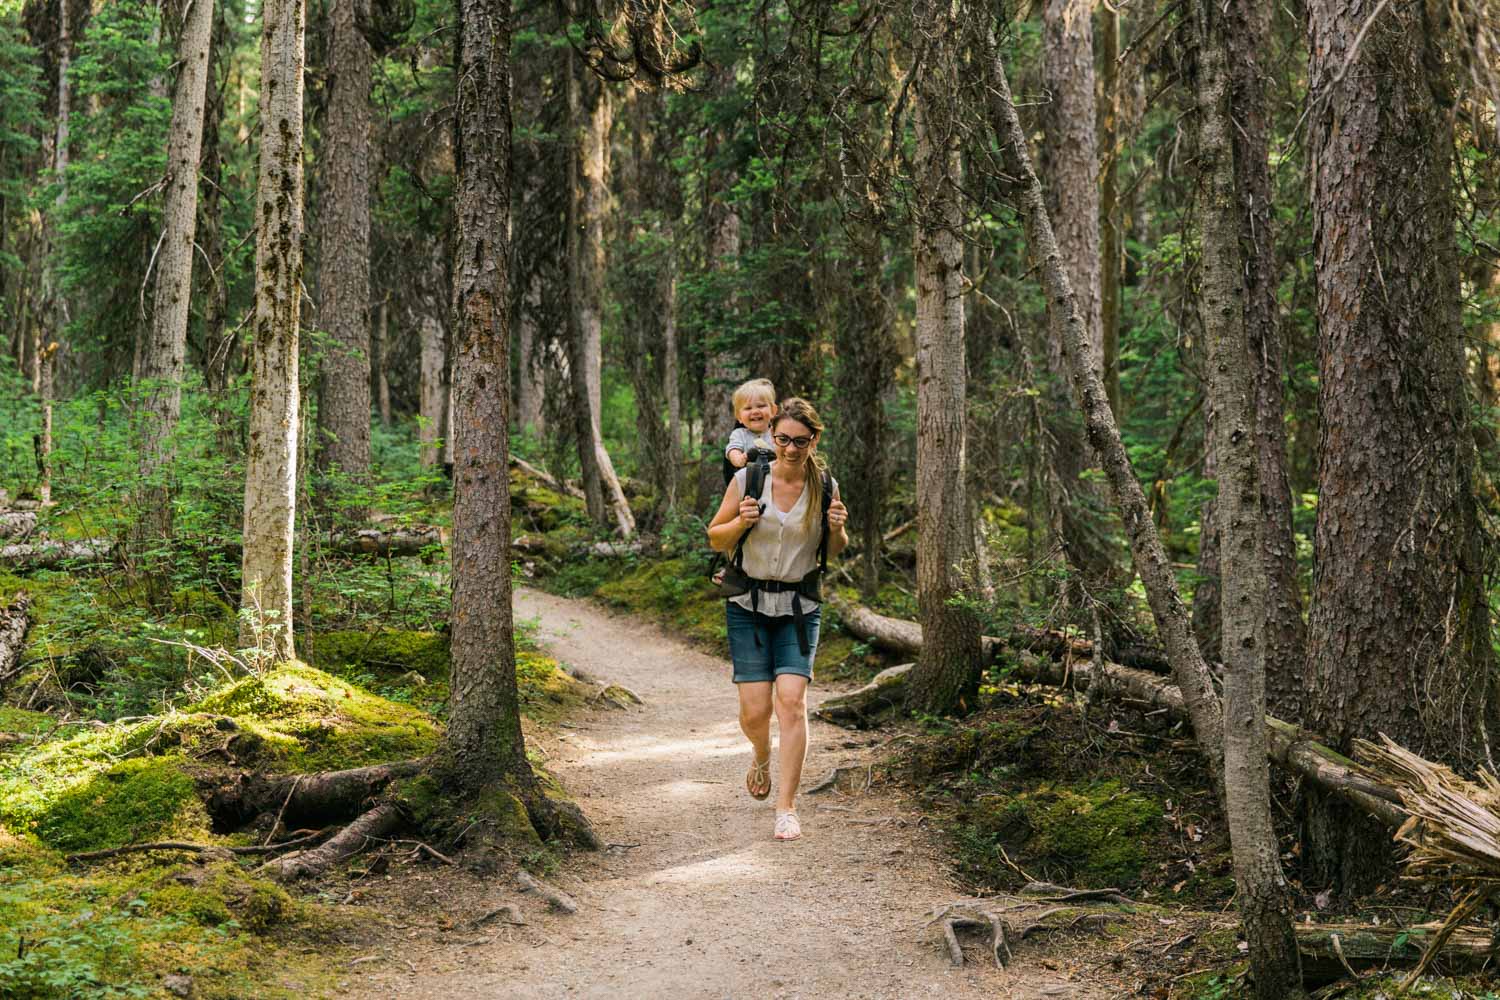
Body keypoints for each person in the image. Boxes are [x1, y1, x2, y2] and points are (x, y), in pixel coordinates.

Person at [706, 398, 849, 841]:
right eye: (782, 439)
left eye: (799, 441)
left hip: (799, 607)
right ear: (771, 436)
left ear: (814, 440)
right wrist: (741, 522)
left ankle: (786, 807)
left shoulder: (825, 486)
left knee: (791, 701)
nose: (789, 448)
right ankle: (759, 754)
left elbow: (833, 551)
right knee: (755, 711)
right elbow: (716, 535)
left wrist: (838, 529)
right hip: (747, 603)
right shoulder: (749, 478)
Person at [723, 378, 777, 485]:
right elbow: (732, 448)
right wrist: (737, 458)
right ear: (739, 416)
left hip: (776, 481)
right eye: (748, 408)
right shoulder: (739, 434)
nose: (755, 411)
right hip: (750, 483)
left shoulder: (777, 432)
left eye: (761, 406)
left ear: (773, 411)